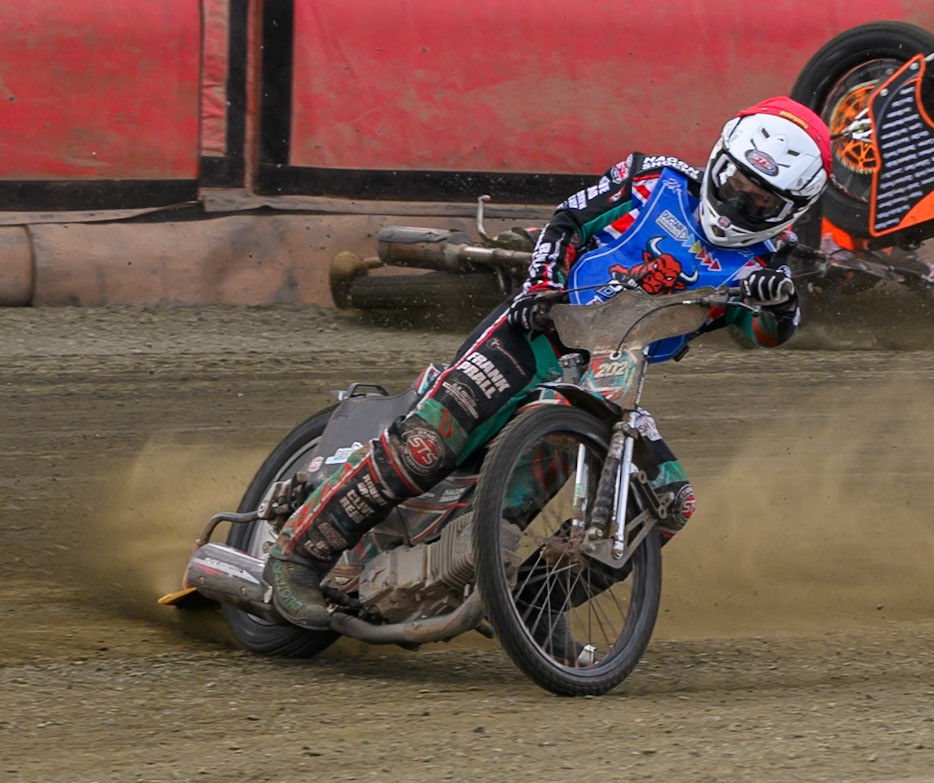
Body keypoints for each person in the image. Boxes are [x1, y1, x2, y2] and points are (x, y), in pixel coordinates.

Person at [265, 97, 833, 631]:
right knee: (429, 444)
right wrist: (542, 285)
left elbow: (769, 332)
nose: (740, 202)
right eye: (736, 181)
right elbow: (566, 221)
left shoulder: (770, 264)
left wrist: (780, 304)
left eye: (763, 200)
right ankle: (296, 560)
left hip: (609, 380)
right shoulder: (653, 179)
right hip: (537, 331)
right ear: (718, 158)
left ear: (793, 210)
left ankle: (533, 607)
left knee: (668, 502)